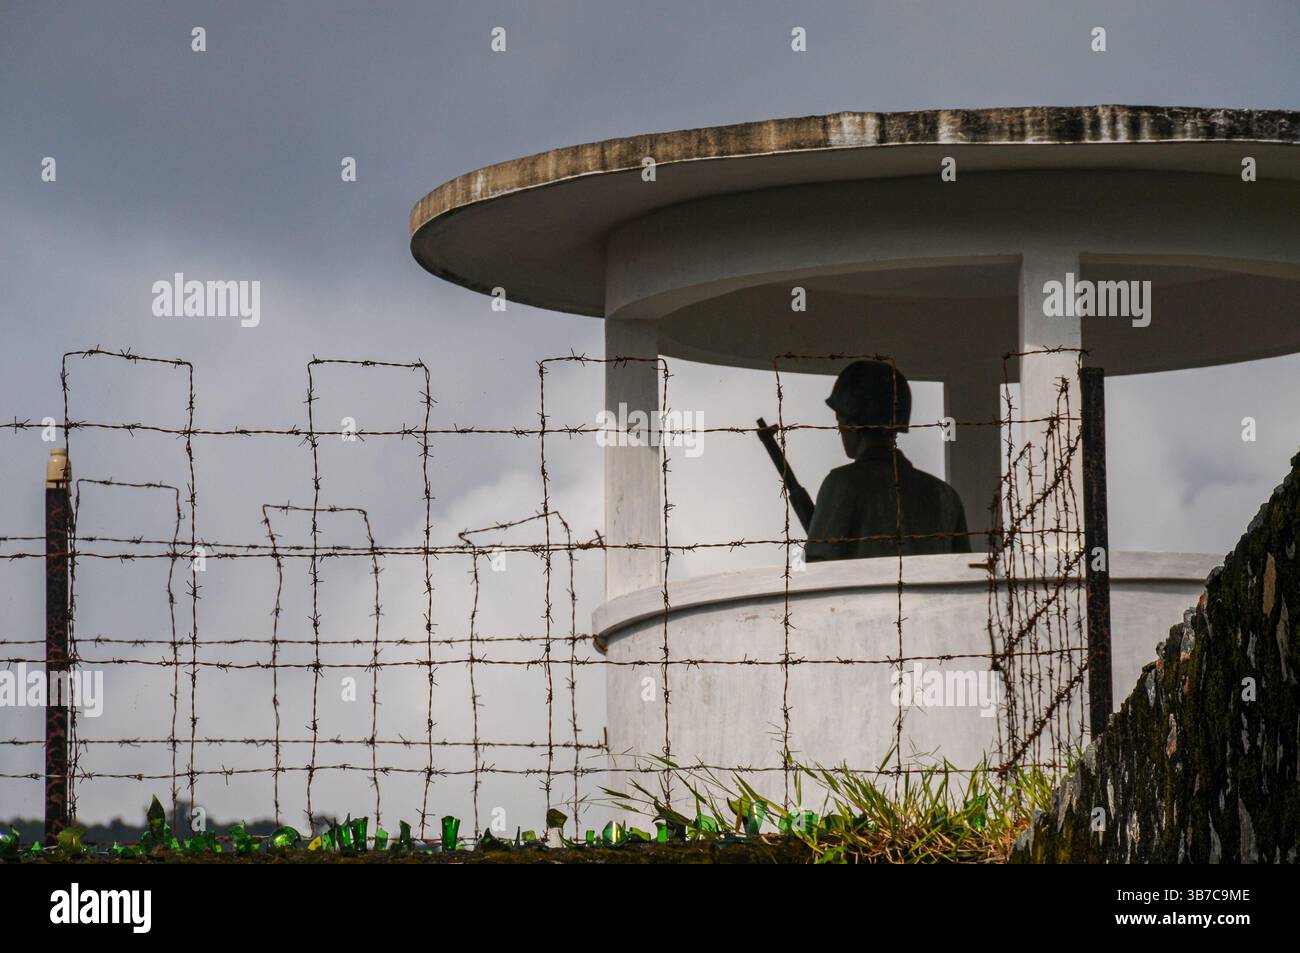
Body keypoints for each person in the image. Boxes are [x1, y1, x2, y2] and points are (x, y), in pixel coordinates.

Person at [805, 360, 970, 562]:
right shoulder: (945, 496)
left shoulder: (842, 484)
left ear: (852, 424)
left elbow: (815, 569)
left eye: (839, 420)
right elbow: (961, 575)